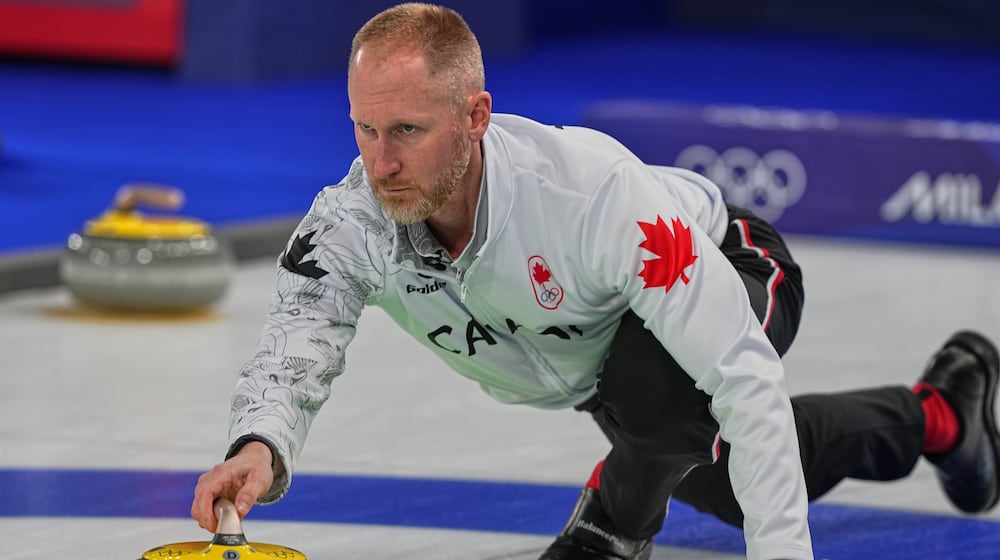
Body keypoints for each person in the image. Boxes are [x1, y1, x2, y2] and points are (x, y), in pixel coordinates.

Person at [190, 4, 1000, 559]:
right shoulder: (350, 223)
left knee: (675, 400)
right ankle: (939, 414)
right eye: (365, 127)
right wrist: (258, 445)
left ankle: (609, 531)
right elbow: (297, 344)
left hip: (734, 262)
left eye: (408, 129)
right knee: (717, 478)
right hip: (600, 359)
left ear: (476, 117)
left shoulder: (590, 200)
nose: (381, 161)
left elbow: (741, 378)